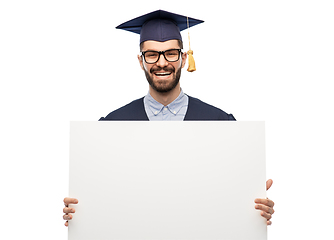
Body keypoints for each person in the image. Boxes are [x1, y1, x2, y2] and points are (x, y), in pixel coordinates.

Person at [63, 9, 275, 227]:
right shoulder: (111, 126)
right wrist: (81, 212)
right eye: (152, 54)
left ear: (183, 58)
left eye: (171, 53)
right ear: (140, 61)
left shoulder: (221, 123)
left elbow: (234, 197)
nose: (162, 63)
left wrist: (255, 209)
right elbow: (100, 196)